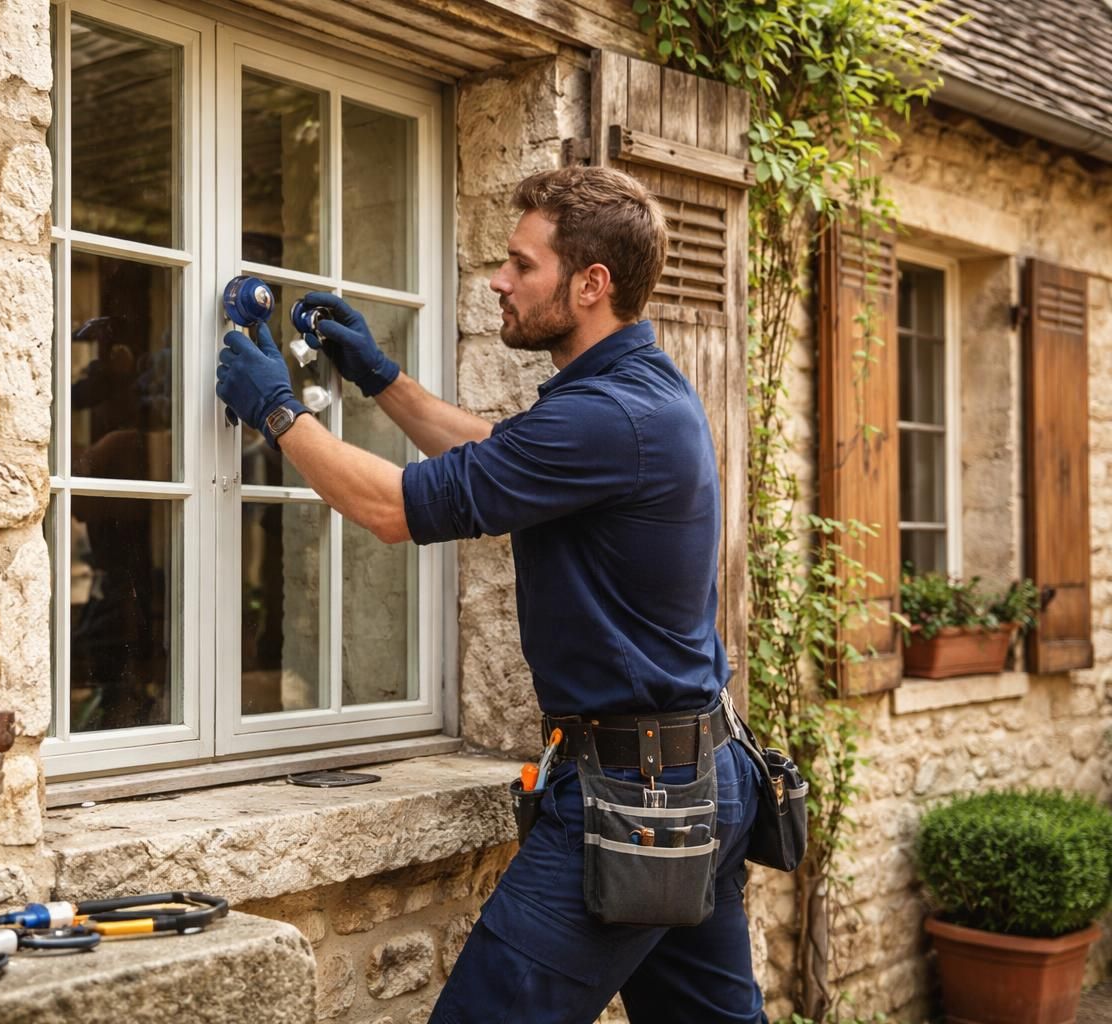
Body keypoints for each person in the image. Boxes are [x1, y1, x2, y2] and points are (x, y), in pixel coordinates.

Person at [215, 165, 766, 1024]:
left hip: (638, 796)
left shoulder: (607, 415)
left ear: (591, 285)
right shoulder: (631, 395)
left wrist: (279, 413)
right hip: (693, 776)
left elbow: (390, 510)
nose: (498, 282)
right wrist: (381, 379)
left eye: (521, 264)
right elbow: (497, 451)